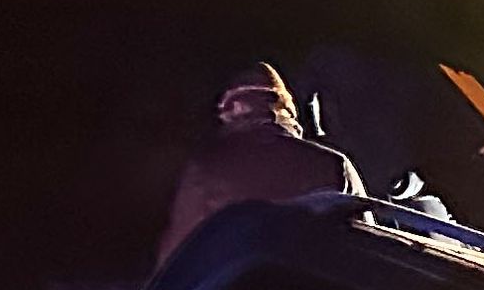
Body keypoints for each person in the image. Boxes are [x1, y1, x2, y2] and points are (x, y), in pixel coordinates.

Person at [154, 64, 361, 268]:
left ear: (228, 110)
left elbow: (172, 266)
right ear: (288, 109)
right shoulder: (336, 164)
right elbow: (370, 246)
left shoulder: (204, 167)